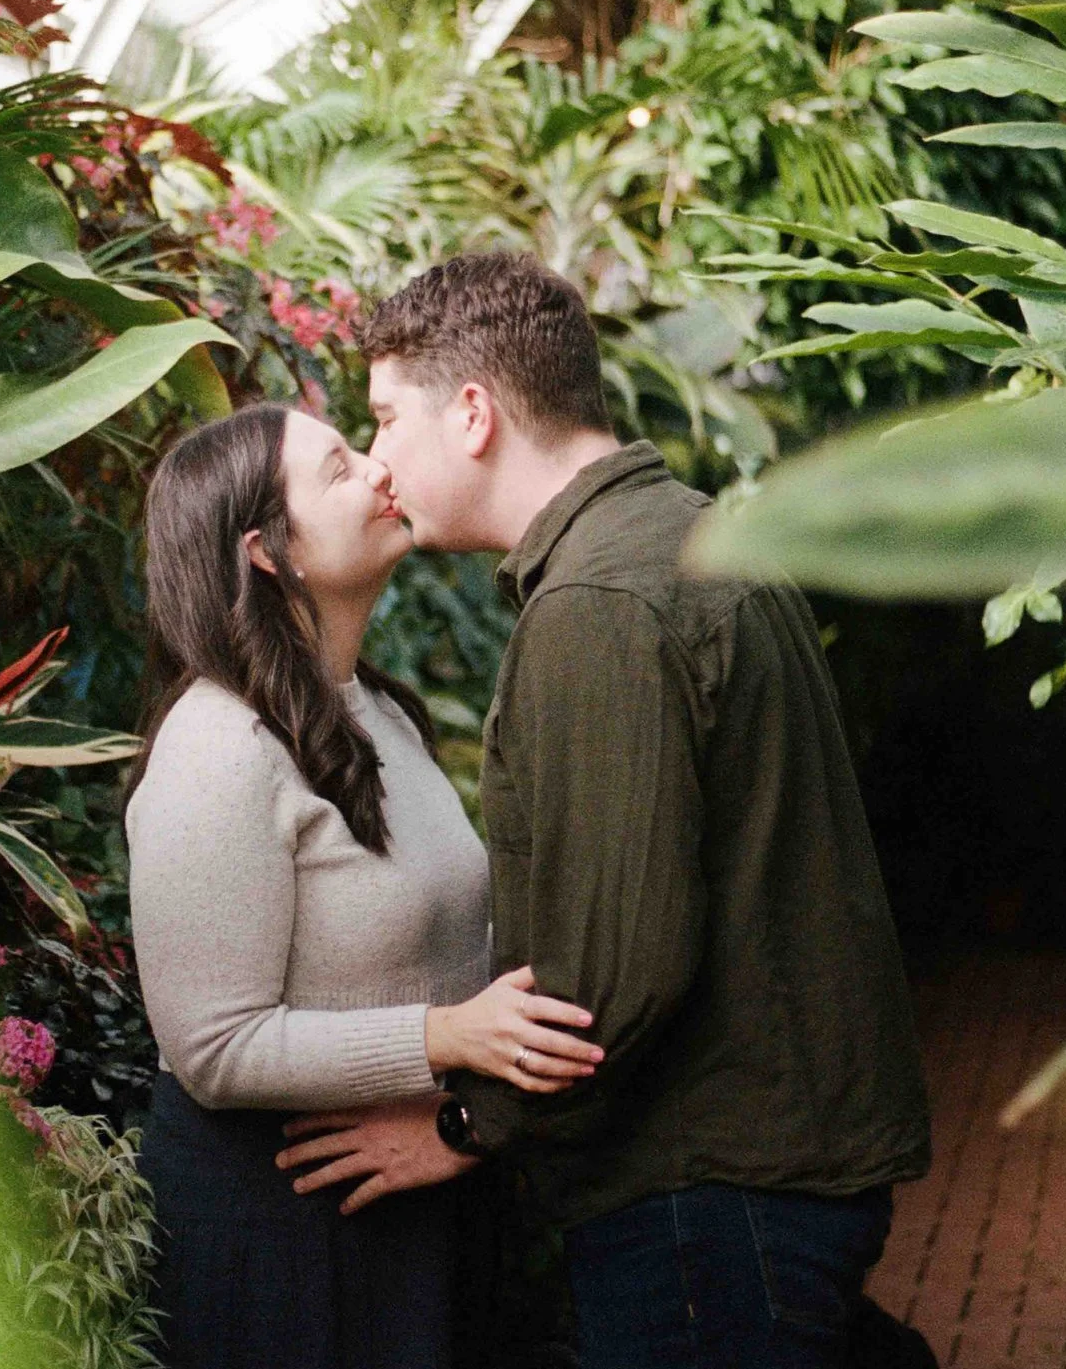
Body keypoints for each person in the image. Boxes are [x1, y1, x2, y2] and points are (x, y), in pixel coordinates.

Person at [275, 253, 931, 1368]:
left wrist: (463, 1127)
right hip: (765, 1174)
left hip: (704, 1195)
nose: (380, 458)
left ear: (473, 413)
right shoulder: (683, 535)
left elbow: (608, 975)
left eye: (386, 419)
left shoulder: (598, 605)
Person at [124, 401, 605, 1369]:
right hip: (283, 1219)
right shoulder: (218, 745)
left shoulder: (377, 710)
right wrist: (443, 1037)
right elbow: (211, 1043)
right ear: (266, 551)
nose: (381, 469)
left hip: (415, 1191)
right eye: (340, 469)